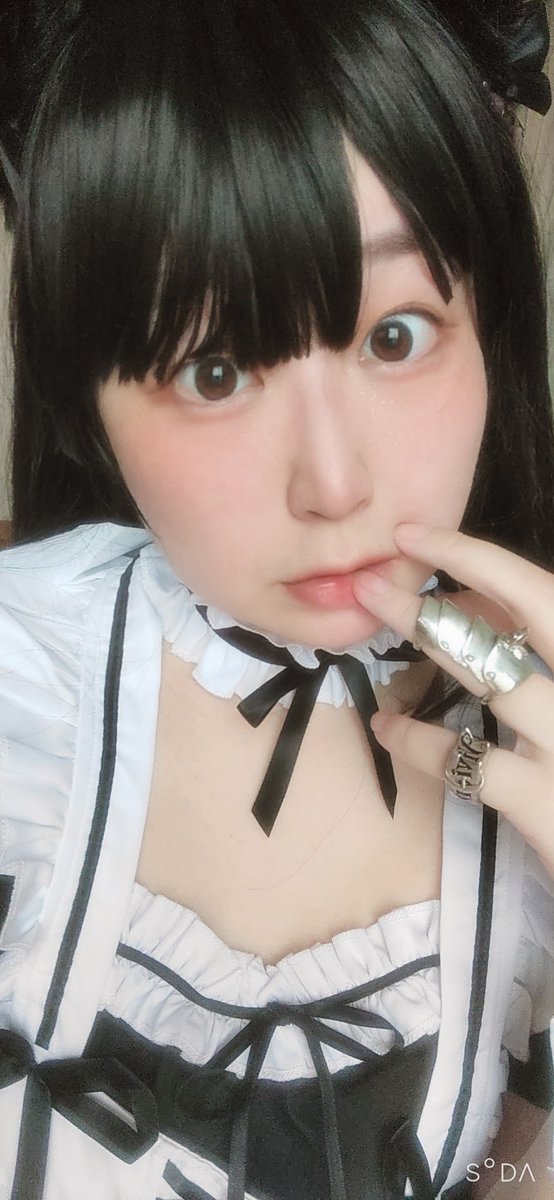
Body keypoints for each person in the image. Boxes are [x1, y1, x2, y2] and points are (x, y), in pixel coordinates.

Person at [0, 0, 553, 1197]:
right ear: (84, 397)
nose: (332, 484)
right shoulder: (19, 690)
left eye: (394, 335)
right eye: (214, 368)